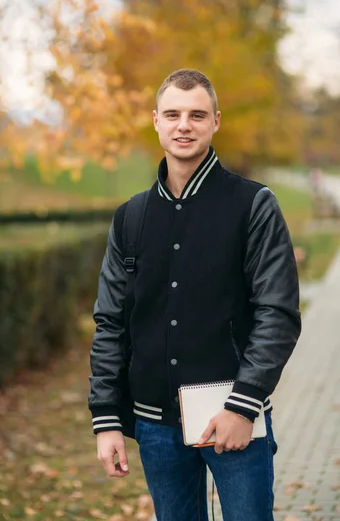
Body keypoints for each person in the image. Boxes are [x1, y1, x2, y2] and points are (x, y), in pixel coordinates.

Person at [88, 68, 301, 521]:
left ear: (216, 122)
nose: (184, 124)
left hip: (232, 416)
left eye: (197, 115)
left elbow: (277, 313)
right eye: (173, 114)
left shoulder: (253, 205)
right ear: (157, 121)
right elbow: (110, 321)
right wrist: (106, 418)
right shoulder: (131, 217)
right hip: (155, 426)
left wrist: (244, 405)